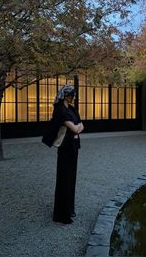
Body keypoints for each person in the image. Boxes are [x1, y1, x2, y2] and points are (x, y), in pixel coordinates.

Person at [50, 85, 84, 224]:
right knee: (64, 179)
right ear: (66, 96)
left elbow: (81, 125)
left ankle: (69, 209)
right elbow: (76, 128)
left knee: (71, 178)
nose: (74, 98)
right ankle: (61, 215)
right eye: (72, 95)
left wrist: (78, 127)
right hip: (65, 148)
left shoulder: (71, 109)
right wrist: (78, 127)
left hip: (73, 146)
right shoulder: (60, 110)